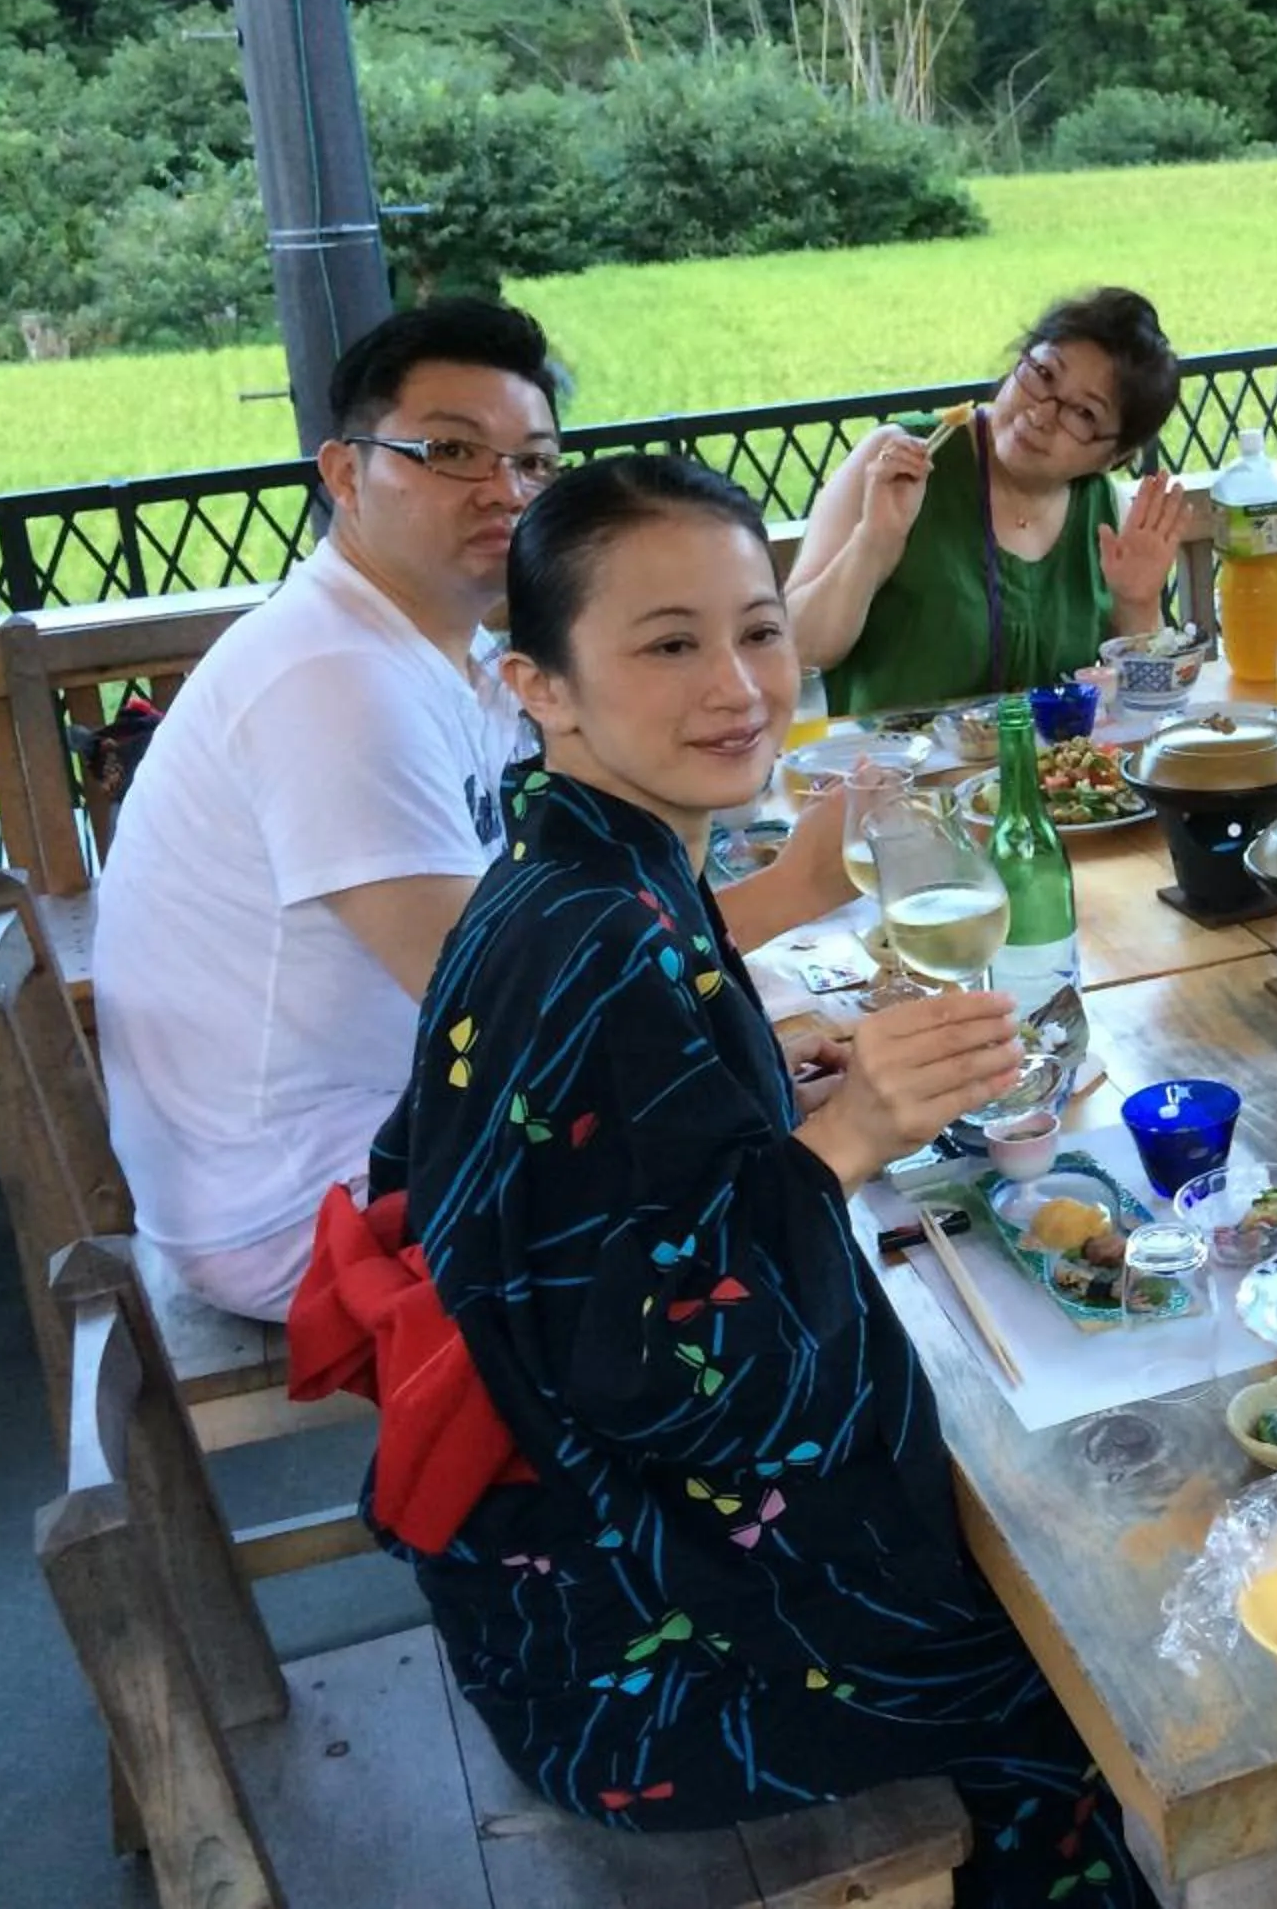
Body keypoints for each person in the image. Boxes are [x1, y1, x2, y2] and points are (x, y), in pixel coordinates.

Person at [287, 453, 1139, 1899]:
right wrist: (843, 1139)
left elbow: (587, 1181)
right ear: (538, 683)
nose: (738, 682)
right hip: (628, 1636)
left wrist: (766, 1102)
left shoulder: (583, 865)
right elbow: (674, 1379)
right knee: (1085, 1667)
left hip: (576, 1534)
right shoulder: (600, 940)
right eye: (668, 643)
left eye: (757, 628)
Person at [91, 298, 860, 1323]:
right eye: (451, 451)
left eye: (535, 462)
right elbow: (506, 1005)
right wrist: (793, 898)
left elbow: (565, 917)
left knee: (806, 1123)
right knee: (811, 1222)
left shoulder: (445, 655)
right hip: (305, 1209)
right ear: (342, 474)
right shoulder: (334, 682)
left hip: (391, 1127)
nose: (505, 491)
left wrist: (738, 1058)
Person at [787, 287, 1191, 713]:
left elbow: (1149, 711)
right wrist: (874, 540)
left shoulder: (1107, 513)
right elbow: (796, 652)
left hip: (1039, 776)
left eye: (1084, 414)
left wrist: (1138, 604)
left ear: (1115, 456)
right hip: (886, 774)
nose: (1041, 415)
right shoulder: (897, 461)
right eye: (1044, 375)